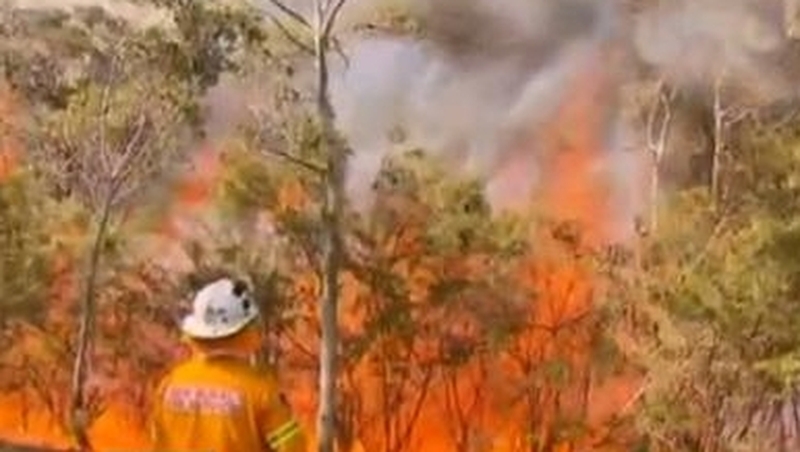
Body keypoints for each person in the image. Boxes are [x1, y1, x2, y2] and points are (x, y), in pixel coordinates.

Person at [150, 278, 306, 452]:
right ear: (246, 330)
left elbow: (159, 443)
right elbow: (292, 448)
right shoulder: (260, 390)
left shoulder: (169, 385)